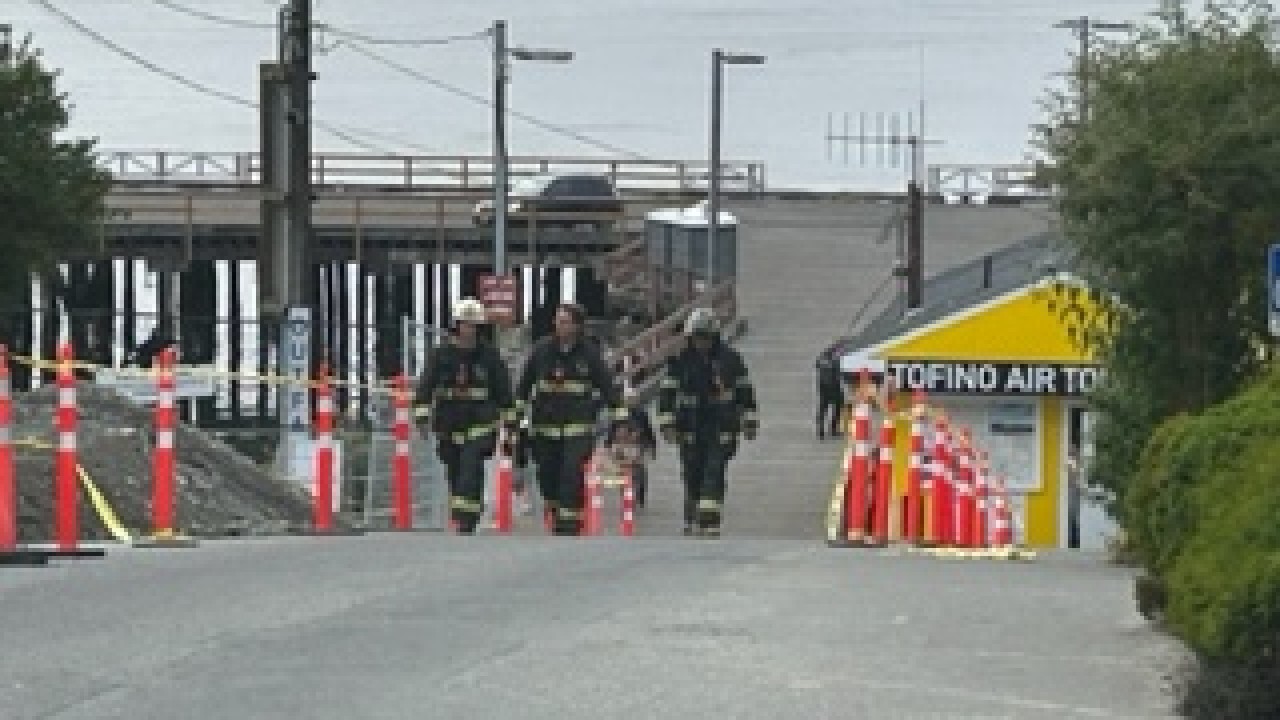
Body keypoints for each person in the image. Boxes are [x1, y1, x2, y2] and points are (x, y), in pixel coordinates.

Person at [515, 302, 625, 535]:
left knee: (571, 473)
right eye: (557, 320)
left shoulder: (589, 354)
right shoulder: (541, 351)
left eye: (564, 321)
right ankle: (555, 514)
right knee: (547, 476)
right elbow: (524, 387)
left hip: (578, 428)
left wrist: (621, 419)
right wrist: (514, 418)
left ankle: (570, 525)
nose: (558, 325)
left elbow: (608, 387)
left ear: (576, 326)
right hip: (545, 428)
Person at [412, 297, 516, 534]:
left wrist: (510, 424)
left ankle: (466, 518)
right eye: (465, 324)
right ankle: (464, 509)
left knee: (471, 466)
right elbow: (426, 387)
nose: (469, 329)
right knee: (455, 469)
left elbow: (504, 391)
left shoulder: (489, 357)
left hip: (481, 422)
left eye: (473, 325)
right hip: (449, 422)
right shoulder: (441, 356)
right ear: (456, 325)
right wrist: (421, 416)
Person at [656, 307, 759, 537]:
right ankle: (692, 516)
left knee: (714, 473)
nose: (701, 342)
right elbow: (667, 394)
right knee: (692, 474)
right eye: (697, 337)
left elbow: (745, 391)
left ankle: (709, 521)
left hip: (720, 427)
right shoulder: (681, 361)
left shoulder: (730, 359)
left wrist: (749, 420)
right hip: (689, 428)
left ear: (713, 336)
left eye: (705, 337)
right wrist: (667, 424)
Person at [603, 386, 657, 509]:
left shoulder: (642, 413)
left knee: (639, 470)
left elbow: (649, 430)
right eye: (627, 398)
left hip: (638, 445)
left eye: (632, 398)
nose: (629, 400)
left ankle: (640, 492)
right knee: (622, 471)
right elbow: (613, 428)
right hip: (622, 445)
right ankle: (626, 495)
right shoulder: (620, 413)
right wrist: (608, 445)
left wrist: (652, 446)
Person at [815, 347, 844, 439]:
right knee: (839, 405)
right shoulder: (836, 360)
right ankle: (833, 429)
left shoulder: (822, 357)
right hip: (834, 387)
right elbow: (841, 373)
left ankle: (821, 429)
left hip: (822, 386)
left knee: (823, 407)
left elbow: (816, 365)